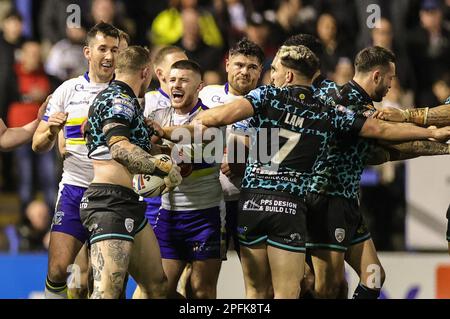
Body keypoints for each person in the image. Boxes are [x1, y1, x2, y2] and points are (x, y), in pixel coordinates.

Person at [187, 45, 450, 298]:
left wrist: (434, 139)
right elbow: (383, 137)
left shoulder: (347, 106)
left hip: (343, 203)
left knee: (371, 278)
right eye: (390, 78)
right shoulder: (337, 104)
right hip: (325, 200)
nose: (392, 85)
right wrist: (428, 131)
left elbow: (387, 147)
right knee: (321, 287)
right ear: (377, 75)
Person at [81, 45, 181, 299]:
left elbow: (130, 144)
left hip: (129, 204)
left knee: (157, 286)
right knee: (107, 293)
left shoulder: (126, 102)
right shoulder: (120, 99)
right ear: (146, 73)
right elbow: (119, 149)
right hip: (109, 204)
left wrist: (163, 150)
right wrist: (160, 168)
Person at [32, 22, 120, 299]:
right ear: (87, 52)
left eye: (114, 50)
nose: (109, 56)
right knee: (59, 270)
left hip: (114, 193)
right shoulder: (67, 90)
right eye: (102, 49)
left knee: (108, 282)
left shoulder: (127, 92)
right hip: (74, 187)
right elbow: (38, 145)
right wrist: (50, 130)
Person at [149, 60, 225, 299]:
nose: (176, 85)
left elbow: (187, 154)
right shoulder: (157, 116)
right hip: (170, 214)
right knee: (160, 290)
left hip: (206, 215)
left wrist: (160, 146)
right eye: (172, 80)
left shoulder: (210, 118)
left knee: (202, 291)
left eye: (183, 80)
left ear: (199, 86)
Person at [199, 38, 264, 258]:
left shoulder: (267, 103)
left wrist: (246, 164)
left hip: (249, 202)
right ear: (227, 65)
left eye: (252, 67)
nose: (245, 71)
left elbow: (271, 158)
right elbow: (187, 134)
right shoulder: (206, 95)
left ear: (260, 71)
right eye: (239, 65)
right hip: (206, 200)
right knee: (199, 283)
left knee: (256, 276)